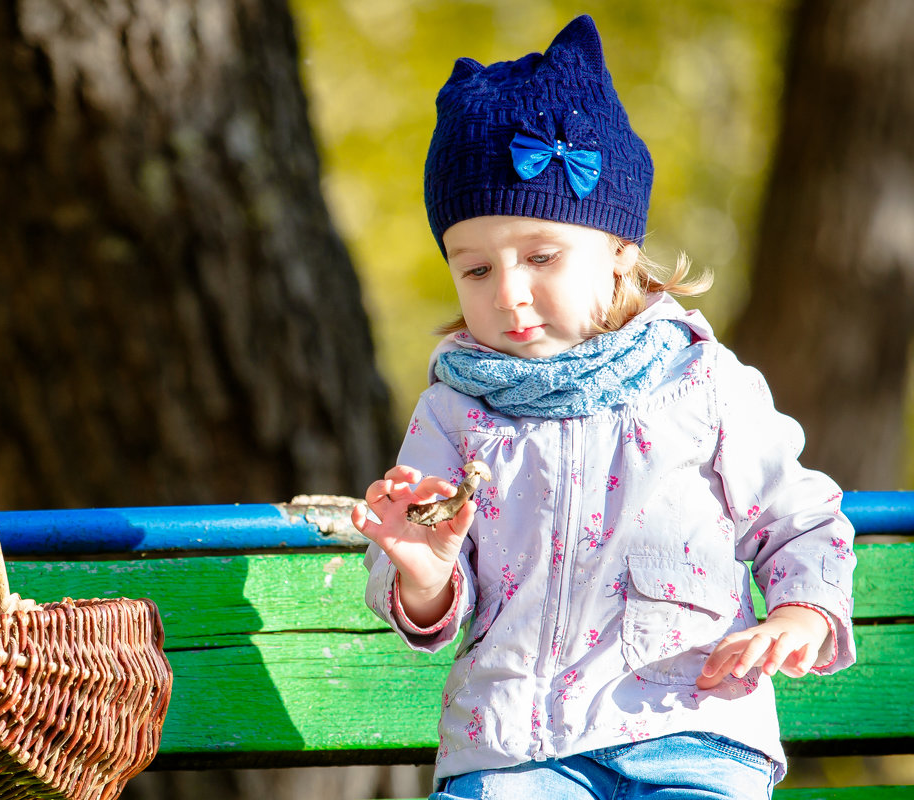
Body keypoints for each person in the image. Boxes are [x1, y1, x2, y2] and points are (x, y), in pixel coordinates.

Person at [351, 15, 856, 800]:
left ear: (620, 248)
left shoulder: (704, 384)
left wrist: (802, 612)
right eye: (475, 270)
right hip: (518, 748)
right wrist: (426, 576)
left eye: (542, 257)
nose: (509, 294)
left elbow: (799, 517)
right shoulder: (453, 412)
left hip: (693, 727)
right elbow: (426, 581)